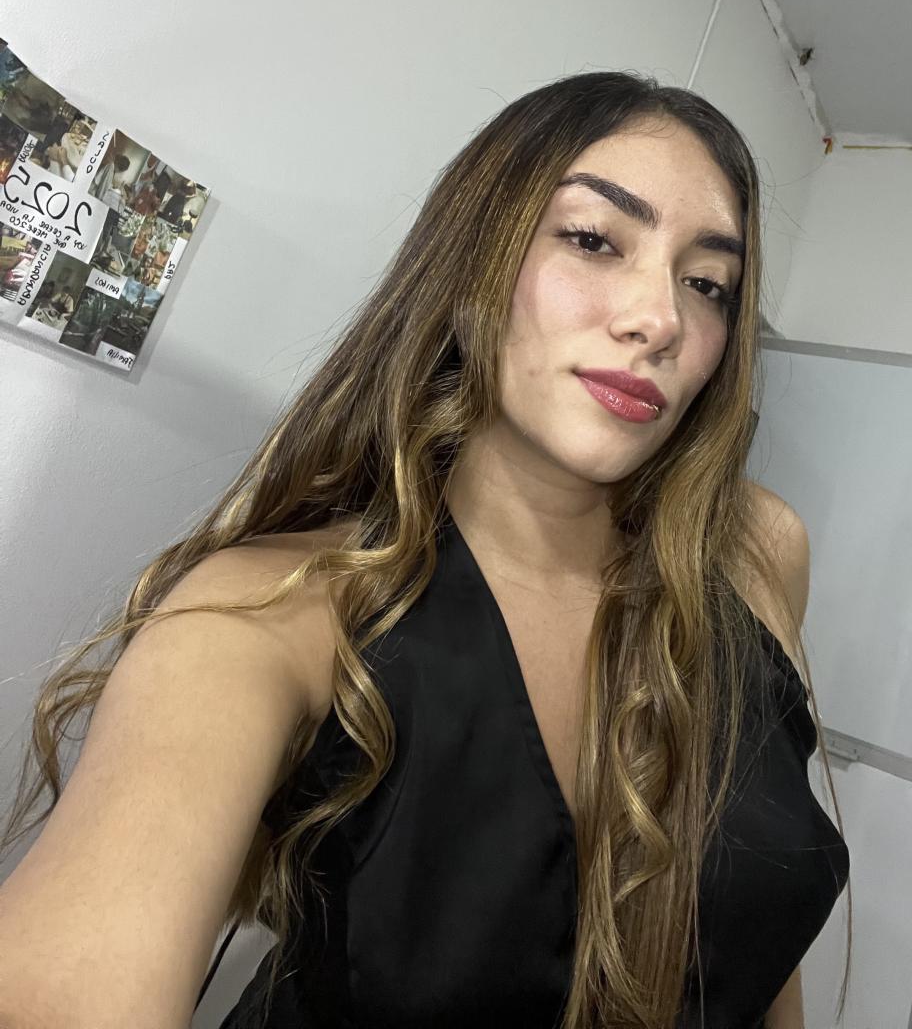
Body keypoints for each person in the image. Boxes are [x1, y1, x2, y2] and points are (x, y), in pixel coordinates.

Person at [0, 71, 851, 1029]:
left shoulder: (756, 552)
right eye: (592, 239)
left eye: (707, 286)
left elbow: (759, 938)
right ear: (476, 255)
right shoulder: (270, 615)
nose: (662, 320)